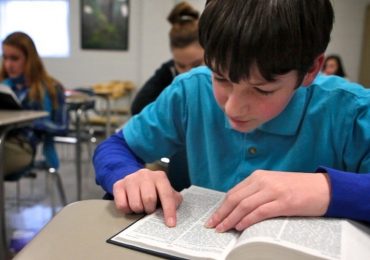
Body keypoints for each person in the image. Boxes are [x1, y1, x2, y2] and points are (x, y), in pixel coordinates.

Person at [93, 0, 370, 233]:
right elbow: (116, 146)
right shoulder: (191, 91)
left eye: (262, 89)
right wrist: (128, 175)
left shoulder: (352, 111)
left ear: (311, 70)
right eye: (221, 78)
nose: (233, 109)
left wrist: (327, 189)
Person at [130, 1, 204, 191]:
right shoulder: (169, 74)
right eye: (181, 66)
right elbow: (138, 106)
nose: (188, 74)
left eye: (196, 65)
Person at [0, 31, 68, 177]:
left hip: (21, 146)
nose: (8, 64)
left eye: (14, 58)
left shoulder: (51, 88)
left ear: (29, 59)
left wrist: (29, 121)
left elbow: (62, 127)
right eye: (5, 58)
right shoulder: (4, 86)